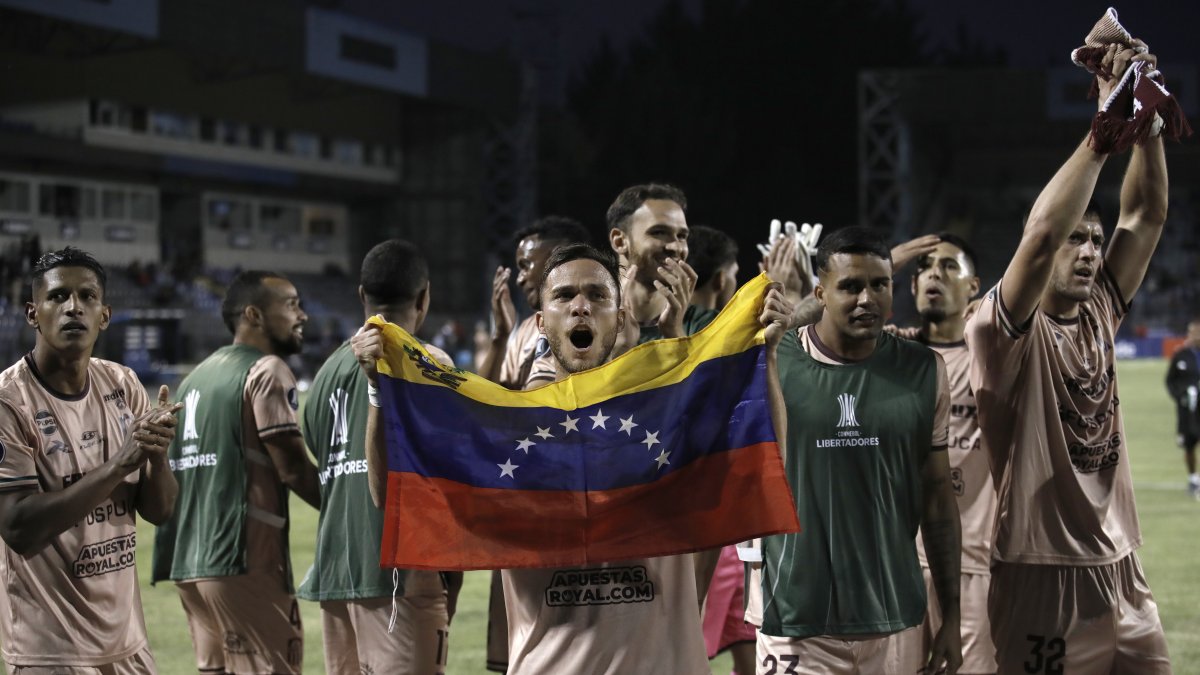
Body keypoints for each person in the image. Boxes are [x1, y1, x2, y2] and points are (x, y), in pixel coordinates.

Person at [966, 42, 1172, 673]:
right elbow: (1040, 237)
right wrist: (1101, 135)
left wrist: (1146, 118)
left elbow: (1145, 213)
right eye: (1076, 241)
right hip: (1040, 571)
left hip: (1122, 566)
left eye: (1093, 240)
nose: (1087, 252)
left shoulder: (1102, 308)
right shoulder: (1001, 331)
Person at [759, 226, 961, 674]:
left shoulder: (924, 370)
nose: (866, 299)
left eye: (879, 284)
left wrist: (952, 616)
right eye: (849, 286)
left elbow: (938, 501)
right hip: (796, 621)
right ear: (820, 293)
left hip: (893, 620)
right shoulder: (774, 362)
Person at [0, 247, 182, 673]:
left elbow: (161, 510)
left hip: (128, 644)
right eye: (58, 297)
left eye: (87, 297)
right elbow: (19, 528)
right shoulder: (10, 401)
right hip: (51, 651)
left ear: (104, 315)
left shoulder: (123, 383)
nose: (73, 307)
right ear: (32, 313)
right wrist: (121, 462)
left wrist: (157, 456)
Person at [298, 240, 460, 675]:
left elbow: (320, 459)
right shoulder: (430, 364)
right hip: (399, 576)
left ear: (361, 295)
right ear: (424, 297)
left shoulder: (327, 371)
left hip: (336, 570)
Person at [152, 270, 320, 675]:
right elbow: (292, 466)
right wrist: (346, 509)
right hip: (241, 559)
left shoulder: (193, 380)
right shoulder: (265, 370)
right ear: (254, 315)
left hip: (187, 562)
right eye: (291, 304)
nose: (303, 316)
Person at [475, 216, 589, 672]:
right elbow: (481, 407)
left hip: (571, 517)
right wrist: (502, 336)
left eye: (528, 264)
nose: (520, 275)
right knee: (515, 657)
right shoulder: (524, 331)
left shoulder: (594, 323)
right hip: (522, 515)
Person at [885, 234, 996, 674]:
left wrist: (992, 310)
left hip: (973, 563)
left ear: (975, 287)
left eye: (950, 266)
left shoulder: (996, 356)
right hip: (898, 563)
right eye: (926, 267)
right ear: (911, 287)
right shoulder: (889, 353)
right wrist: (889, 262)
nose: (934, 273)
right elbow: (811, 327)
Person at [686, 225, 757, 675]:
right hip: (710, 527)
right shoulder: (717, 334)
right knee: (690, 649)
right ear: (722, 280)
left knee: (746, 643)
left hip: (733, 531)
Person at [478, 215, 591, 389]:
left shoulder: (597, 318)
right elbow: (484, 398)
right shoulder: (527, 329)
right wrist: (500, 336)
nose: (519, 279)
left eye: (525, 265)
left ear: (558, 256)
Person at [605, 183, 714, 346]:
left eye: (682, 236)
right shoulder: (587, 319)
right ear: (620, 241)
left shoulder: (706, 325)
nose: (676, 247)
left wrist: (675, 334)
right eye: (659, 232)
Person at [1165, 317, 1200, 497]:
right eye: (1191, 332)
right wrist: (1180, 397)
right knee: (1189, 445)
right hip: (1187, 411)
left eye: (1196, 332)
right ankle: (1193, 479)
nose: (1192, 335)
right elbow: (1170, 381)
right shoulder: (1181, 354)